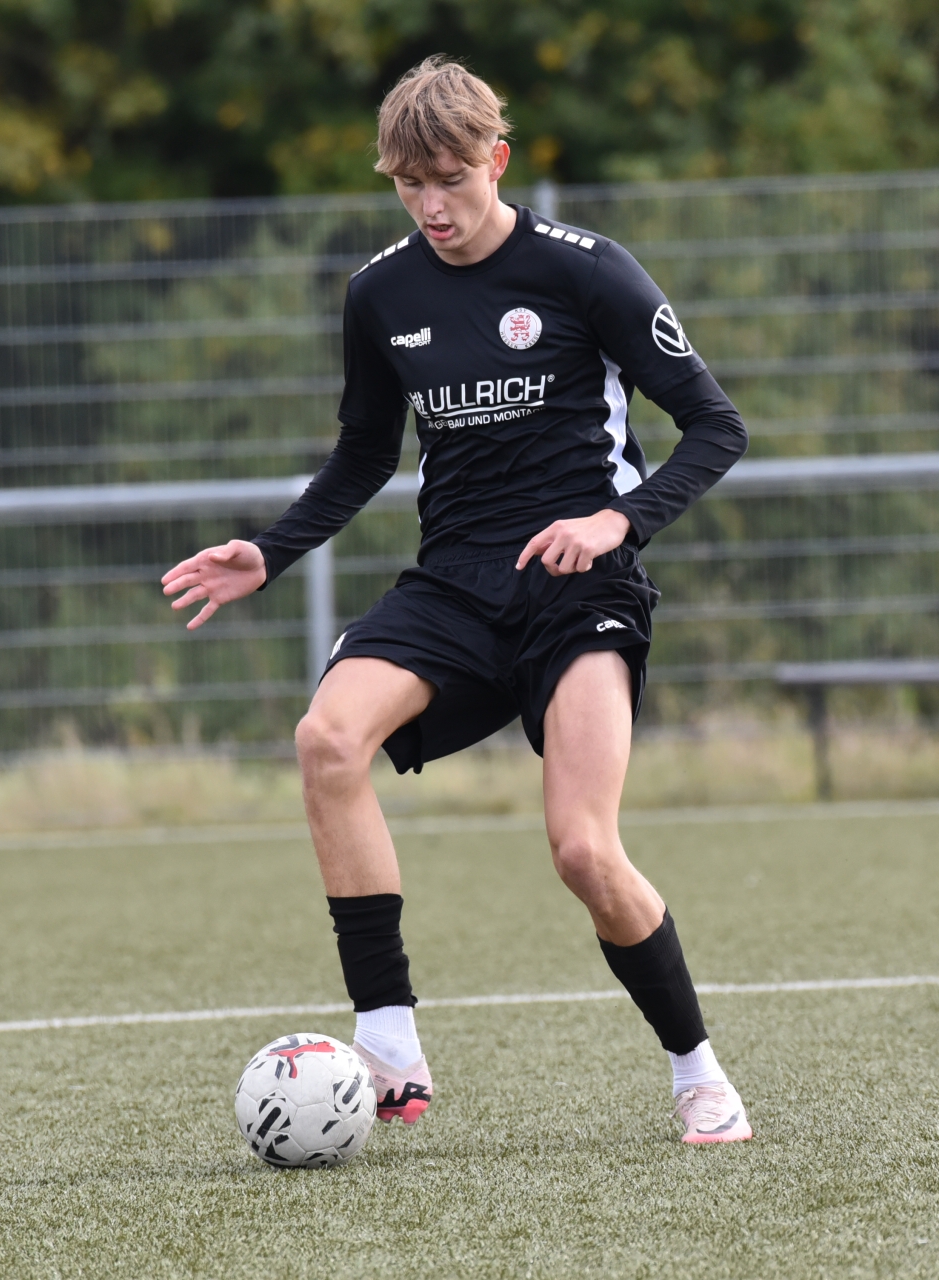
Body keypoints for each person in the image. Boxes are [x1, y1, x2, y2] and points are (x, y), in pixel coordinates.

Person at [162, 58, 752, 1143]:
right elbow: (361, 457)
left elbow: (718, 427)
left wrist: (618, 521)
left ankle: (697, 1070)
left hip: (580, 588)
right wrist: (269, 552)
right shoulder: (380, 294)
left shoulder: (589, 271)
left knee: (583, 851)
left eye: (450, 179)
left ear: (497, 160)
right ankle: (387, 1039)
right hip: (455, 583)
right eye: (408, 184)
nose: (431, 205)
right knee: (326, 740)